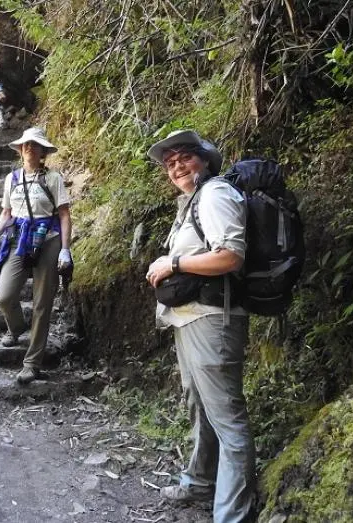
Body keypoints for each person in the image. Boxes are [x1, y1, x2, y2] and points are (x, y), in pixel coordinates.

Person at [145, 130, 255, 523]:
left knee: (227, 419)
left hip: (213, 319)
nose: (176, 165)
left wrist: (172, 264)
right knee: (200, 405)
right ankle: (199, 482)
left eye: (184, 157)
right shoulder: (191, 201)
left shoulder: (215, 194)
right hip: (190, 317)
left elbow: (229, 257)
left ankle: (232, 516)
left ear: (205, 160)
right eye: (170, 162)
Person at [0, 127, 72, 384]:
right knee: (4, 296)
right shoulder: (12, 179)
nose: (29, 148)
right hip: (18, 237)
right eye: (25, 144)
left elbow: (63, 214)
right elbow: (6, 214)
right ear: (20, 149)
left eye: (35, 145)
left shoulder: (53, 179)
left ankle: (32, 363)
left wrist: (65, 249)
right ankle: (16, 327)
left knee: (42, 303)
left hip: (48, 239)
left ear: (43, 152)